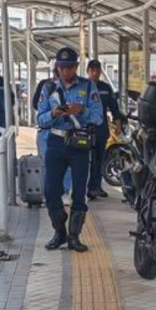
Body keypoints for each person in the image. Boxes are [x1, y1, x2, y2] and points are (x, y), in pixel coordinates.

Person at [37, 47, 103, 252]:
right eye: (62, 67)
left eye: (70, 67)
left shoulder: (88, 86)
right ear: (57, 67)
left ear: (76, 66)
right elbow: (39, 119)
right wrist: (54, 114)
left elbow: (99, 117)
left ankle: (74, 236)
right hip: (56, 143)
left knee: (79, 192)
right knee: (51, 190)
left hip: (79, 144)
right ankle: (60, 231)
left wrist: (81, 110)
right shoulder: (48, 89)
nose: (65, 71)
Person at [86, 59, 126, 200]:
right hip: (85, 128)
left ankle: (96, 187)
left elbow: (114, 108)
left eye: (97, 70)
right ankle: (85, 187)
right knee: (85, 159)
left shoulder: (105, 88)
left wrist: (118, 124)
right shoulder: (83, 87)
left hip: (101, 128)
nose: (95, 73)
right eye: (92, 70)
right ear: (88, 71)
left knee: (99, 158)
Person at [33, 67, 70, 200]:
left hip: (65, 133)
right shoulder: (46, 87)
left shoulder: (74, 88)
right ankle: (47, 193)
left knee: (66, 165)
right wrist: (52, 113)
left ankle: (64, 192)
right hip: (46, 133)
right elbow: (38, 111)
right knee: (46, 164)